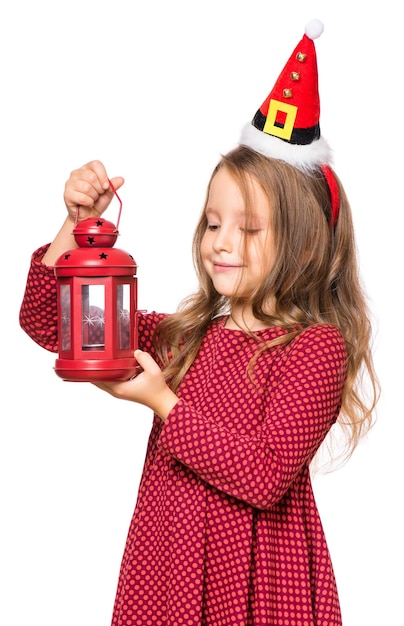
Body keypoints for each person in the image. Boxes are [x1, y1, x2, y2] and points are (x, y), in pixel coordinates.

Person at [19, 20, 379, 626]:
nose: (222, 243)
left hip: (261, 579)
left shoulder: (315, 348)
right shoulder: (186, 337)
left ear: (305, 244)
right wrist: (76, 226)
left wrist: (163, 402)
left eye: (250, 228)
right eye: (214, 223)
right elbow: (50, 325)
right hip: (171, 566)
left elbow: (264, 474)